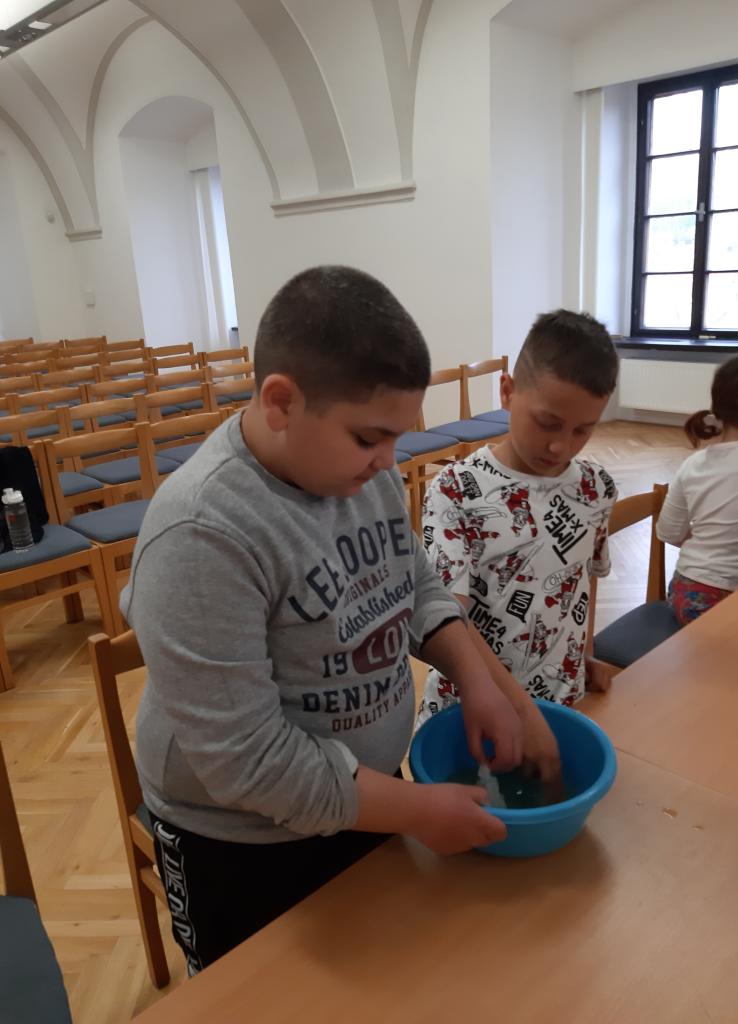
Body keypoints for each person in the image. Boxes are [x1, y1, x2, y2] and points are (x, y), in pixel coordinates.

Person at [121, 265, 555, 974]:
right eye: (369, 438)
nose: (388, 462)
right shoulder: (201, 534)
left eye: (396, 437)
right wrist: (417, 811)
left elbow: (413, 582)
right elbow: (251, 764)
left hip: (365, 798)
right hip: (243, 845)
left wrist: (478, 681)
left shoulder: (360, 472)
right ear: (281, 402)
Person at [418, 309, 619, 723]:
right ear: (507, 391)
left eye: (582, 430)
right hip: (470, 713)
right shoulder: (455, 490)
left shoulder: (595, 487)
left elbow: (583, 580)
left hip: (560, 704)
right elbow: (448, 621)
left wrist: (583, 653)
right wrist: (522, 714)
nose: (561, 447)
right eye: (548, 423)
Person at [657, 355, 738, 625]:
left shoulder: (693, 464)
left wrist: (715, 541)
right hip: (737, 598)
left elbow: (668, 532)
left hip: (686, 593)